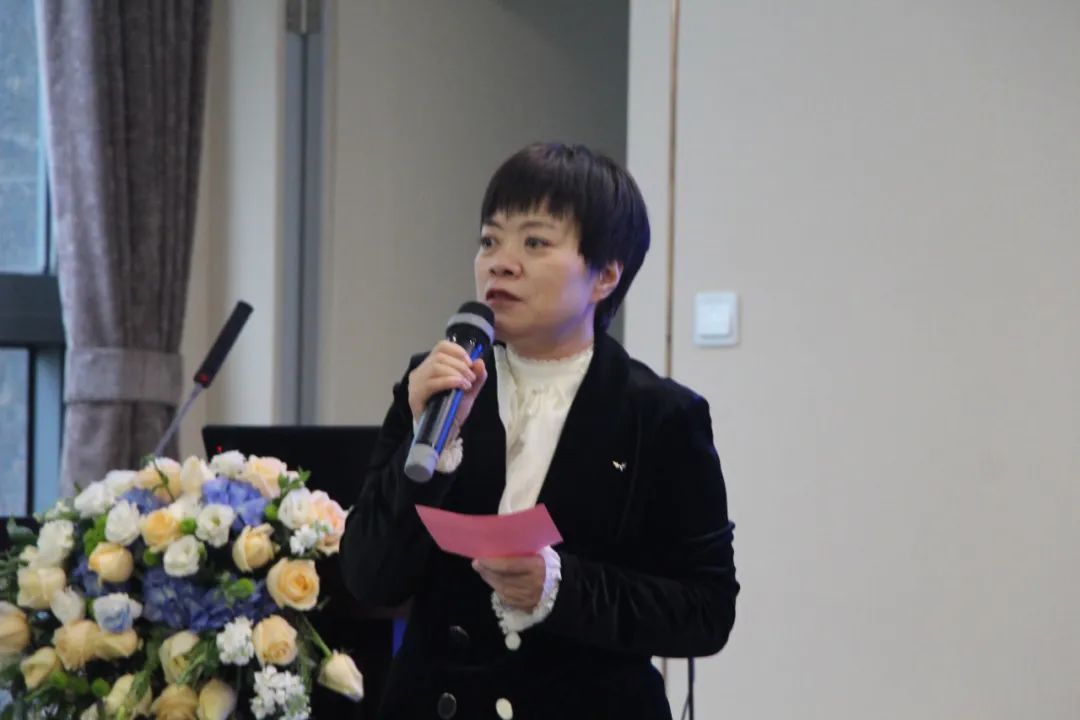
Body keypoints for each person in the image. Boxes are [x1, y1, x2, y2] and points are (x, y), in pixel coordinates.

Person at [340, 142, 738, 720]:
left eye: (535, 243)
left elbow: (706, 610)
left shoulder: (659, 415)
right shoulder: (436, 384)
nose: (500, 263)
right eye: (489, 240)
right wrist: (425, 445)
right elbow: (369, 577)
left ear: (605, 276)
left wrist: (562, 587)